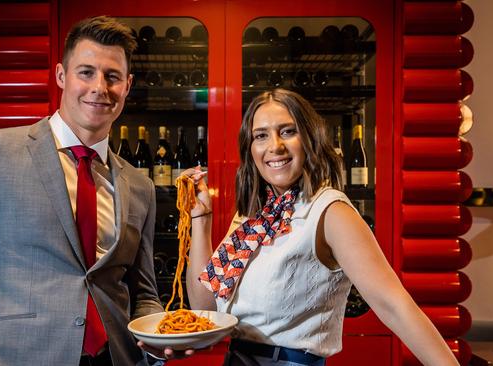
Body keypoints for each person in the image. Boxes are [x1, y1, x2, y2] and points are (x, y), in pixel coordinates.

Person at [0, 16, 175, 366]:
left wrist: (161, 336)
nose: (99, 87)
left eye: (112, 76)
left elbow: (143, 292)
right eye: (86, 72)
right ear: (61, 76)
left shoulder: (140, 186)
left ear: (127, 85)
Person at [184, 89, 459, 366]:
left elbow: (394, 306)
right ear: (250, 148)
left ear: (310, 139)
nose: (274, 146)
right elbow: (203, 307)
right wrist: (201, 217)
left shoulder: (330, 211)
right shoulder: (254, 218)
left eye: (288, 131)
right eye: (261, 135)